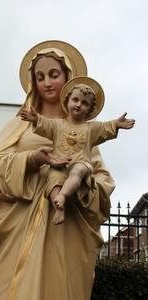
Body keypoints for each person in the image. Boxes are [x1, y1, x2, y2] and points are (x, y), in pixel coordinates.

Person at [0, 40, 115, 300]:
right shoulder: (20, 125)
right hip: (18, 232)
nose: (47, 83)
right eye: (40, 77)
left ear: (68, 78)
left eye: (54, 74)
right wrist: (30, 160)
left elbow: (103, 185)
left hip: (65, 233)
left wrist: (81, 182)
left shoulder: (83, 132)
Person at [20, 76, 135, 225]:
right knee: (52, 179)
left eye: (84, 103)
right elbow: (45, 124)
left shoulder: (91, 128)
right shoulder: (57, 125)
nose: (79, 105)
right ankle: (59, 209)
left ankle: (63, 196)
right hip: (59, 164)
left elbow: (106, 127)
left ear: (89, 109)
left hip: (82, 163)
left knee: (77, 172)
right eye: (75, 100)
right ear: (67, 101)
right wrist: (35, 118)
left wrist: (116, 124)